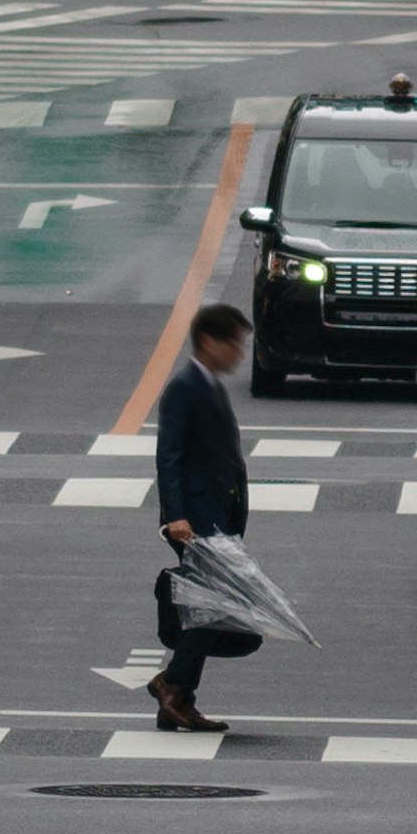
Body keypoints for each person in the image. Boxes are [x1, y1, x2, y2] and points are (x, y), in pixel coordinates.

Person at [150, 291, 256, 732]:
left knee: (208, 606)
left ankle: (176, 697)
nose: (239, 353)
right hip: (194, 522)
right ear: (210, 342)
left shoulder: (210, 387)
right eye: (234, 343)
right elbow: (169, 454)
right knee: (208, 605)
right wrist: (175, 516)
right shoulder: (184, 388)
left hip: (217, 519)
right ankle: (174, 685)